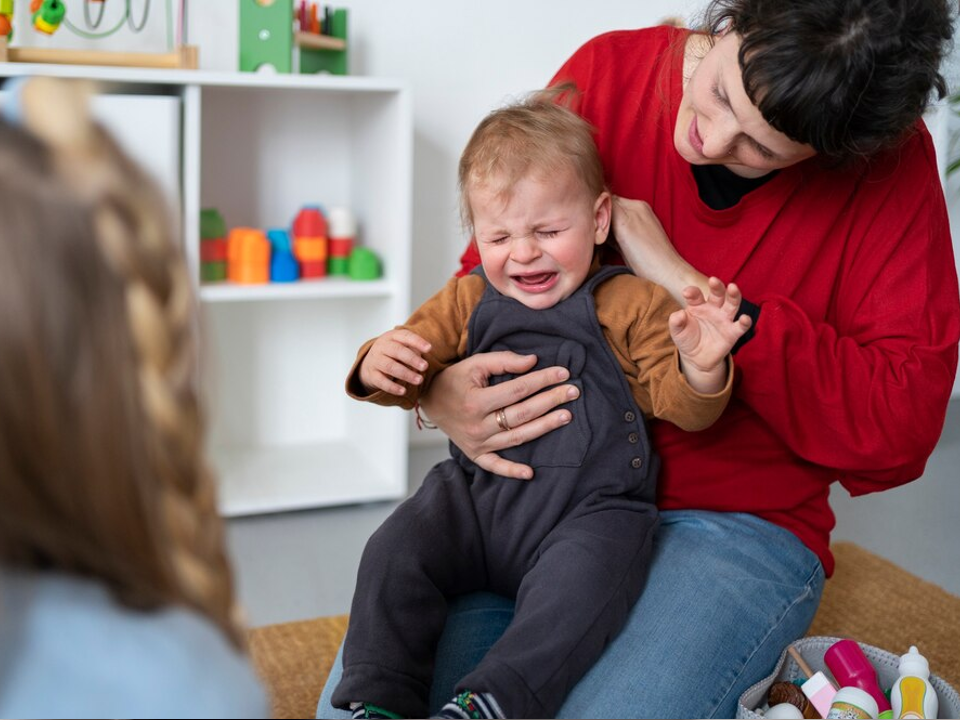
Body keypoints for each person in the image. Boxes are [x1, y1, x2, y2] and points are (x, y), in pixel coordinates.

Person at [319, 0, 960, 717]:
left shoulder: (886, 168)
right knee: (366, 698)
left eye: (763, 148)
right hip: (526, 498)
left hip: (732, 523)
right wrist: (437, 394)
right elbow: (484, 281)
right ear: (730, 22)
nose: (712, 140)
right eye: (720, 92)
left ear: (834, 152)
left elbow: (900, 430)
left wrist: (686, 283)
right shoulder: (608, 75)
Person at [332, 94, 751, 720]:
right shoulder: (467, 298)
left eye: (549, 232)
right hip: (476, 501)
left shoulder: (631, 303)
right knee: (393, 547)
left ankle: (495, 701)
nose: (523, 253)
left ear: (600, 219)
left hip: (588, 516)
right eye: (498, 235)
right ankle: (378, 698)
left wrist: (703, 362)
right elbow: (409, 364)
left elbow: (685, 407)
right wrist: (376, 362)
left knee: (580, 595)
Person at [0, 77, 268, 718]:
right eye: (502, 233)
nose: (521, 250)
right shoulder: (186, 686)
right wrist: (398, 372)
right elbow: (422, 335)